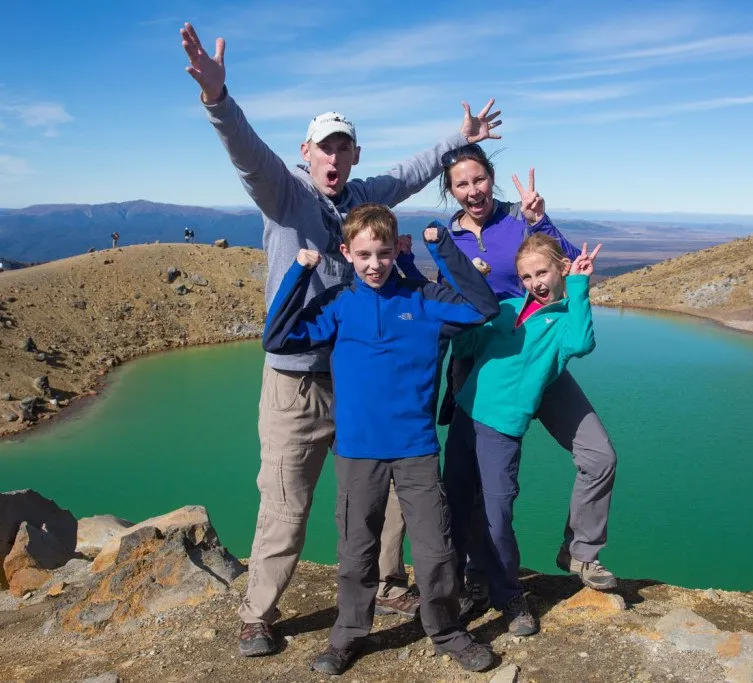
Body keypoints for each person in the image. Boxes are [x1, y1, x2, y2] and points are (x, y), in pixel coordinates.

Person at [179, 22, 502, 657]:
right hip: (298, 378)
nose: (333, 158)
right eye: (324, 149)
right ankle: (259, 613)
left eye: (343, 148)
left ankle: (387, 584)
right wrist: (219, 99)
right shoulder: (282, 191)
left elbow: (410, 175)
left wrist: (457, 142)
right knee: (286, 502)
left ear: (353, 155)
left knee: (392, 496)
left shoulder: (359, 201)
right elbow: (246, 150)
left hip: (357, 379)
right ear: (306, 153)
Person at [263, 204, 500, 675]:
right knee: (356, 552)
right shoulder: (337, 303)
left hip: (415, 448)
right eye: (365, 254)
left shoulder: (423, 297)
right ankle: (348, 635)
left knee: (436, 551)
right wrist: (298, 270)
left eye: (384, 253)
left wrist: (441, 247)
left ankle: (448, 632)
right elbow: (277, 338)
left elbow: (483, 307)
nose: (375, 264)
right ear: (348, 253)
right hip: (357, 452)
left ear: (396, 251)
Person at [437, 144, 619, 596]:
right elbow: (447, 300)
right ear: (451, 190)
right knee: (474, 479)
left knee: (599, 457)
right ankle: (476, 573)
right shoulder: (448, 237)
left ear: (491, 178)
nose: (472, 189)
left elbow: (572, 263)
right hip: (486, 354)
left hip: (545, 354)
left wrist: (539, 221)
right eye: (462, 183)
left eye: (479, 179)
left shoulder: (519, 218)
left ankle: (581, 551)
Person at [444, 235, 602, 636]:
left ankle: (510, 596)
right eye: (526, 275)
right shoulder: (507, 308)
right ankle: (466, 584)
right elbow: (464, 344)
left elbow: (583, 342)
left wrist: (581, 285)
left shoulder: (565, 320)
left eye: (542, 272)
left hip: (502, 431)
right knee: (459, 510)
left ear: (560, 270)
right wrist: (469, 307)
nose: (535, 281)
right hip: (466, 416)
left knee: (498, 518)